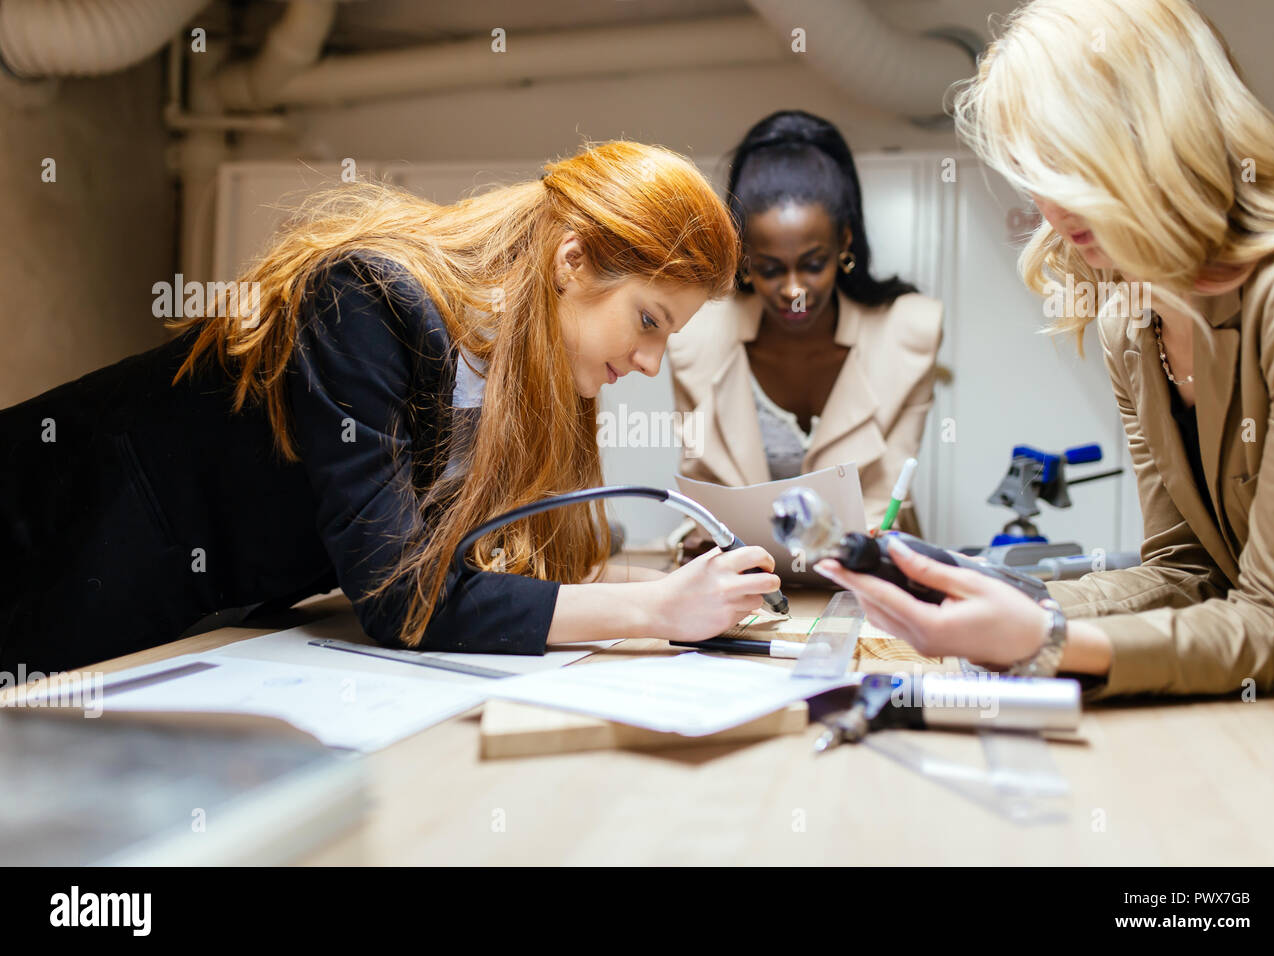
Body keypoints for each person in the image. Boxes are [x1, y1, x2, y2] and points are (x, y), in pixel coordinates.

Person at [0, 141, 782, 674]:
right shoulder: (366, 302)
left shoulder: (528, 372)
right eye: (649, 320)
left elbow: (480, 561)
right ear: (572, 261)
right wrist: (651, 610)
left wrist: (660, 593)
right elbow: (402, 598)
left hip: (184, 583)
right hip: (50, 526)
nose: (650, 363)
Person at [815, 0, 1274, 698]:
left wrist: (1049, 639)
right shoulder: (1131, 324)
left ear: (1158, 132)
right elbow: (1186, 573)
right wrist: (977, 599)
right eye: (1029, 167)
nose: (1047, 203)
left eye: (1066, 158)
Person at [668, 110, 942, 557]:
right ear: (743, 256)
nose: (794, 291)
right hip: (749, 589)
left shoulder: (908, 333)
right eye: (771, 269)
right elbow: (703, 501)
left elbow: (883, 500)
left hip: (864, 580)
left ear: (844, 243)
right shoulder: (695, 340)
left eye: (814, 264)